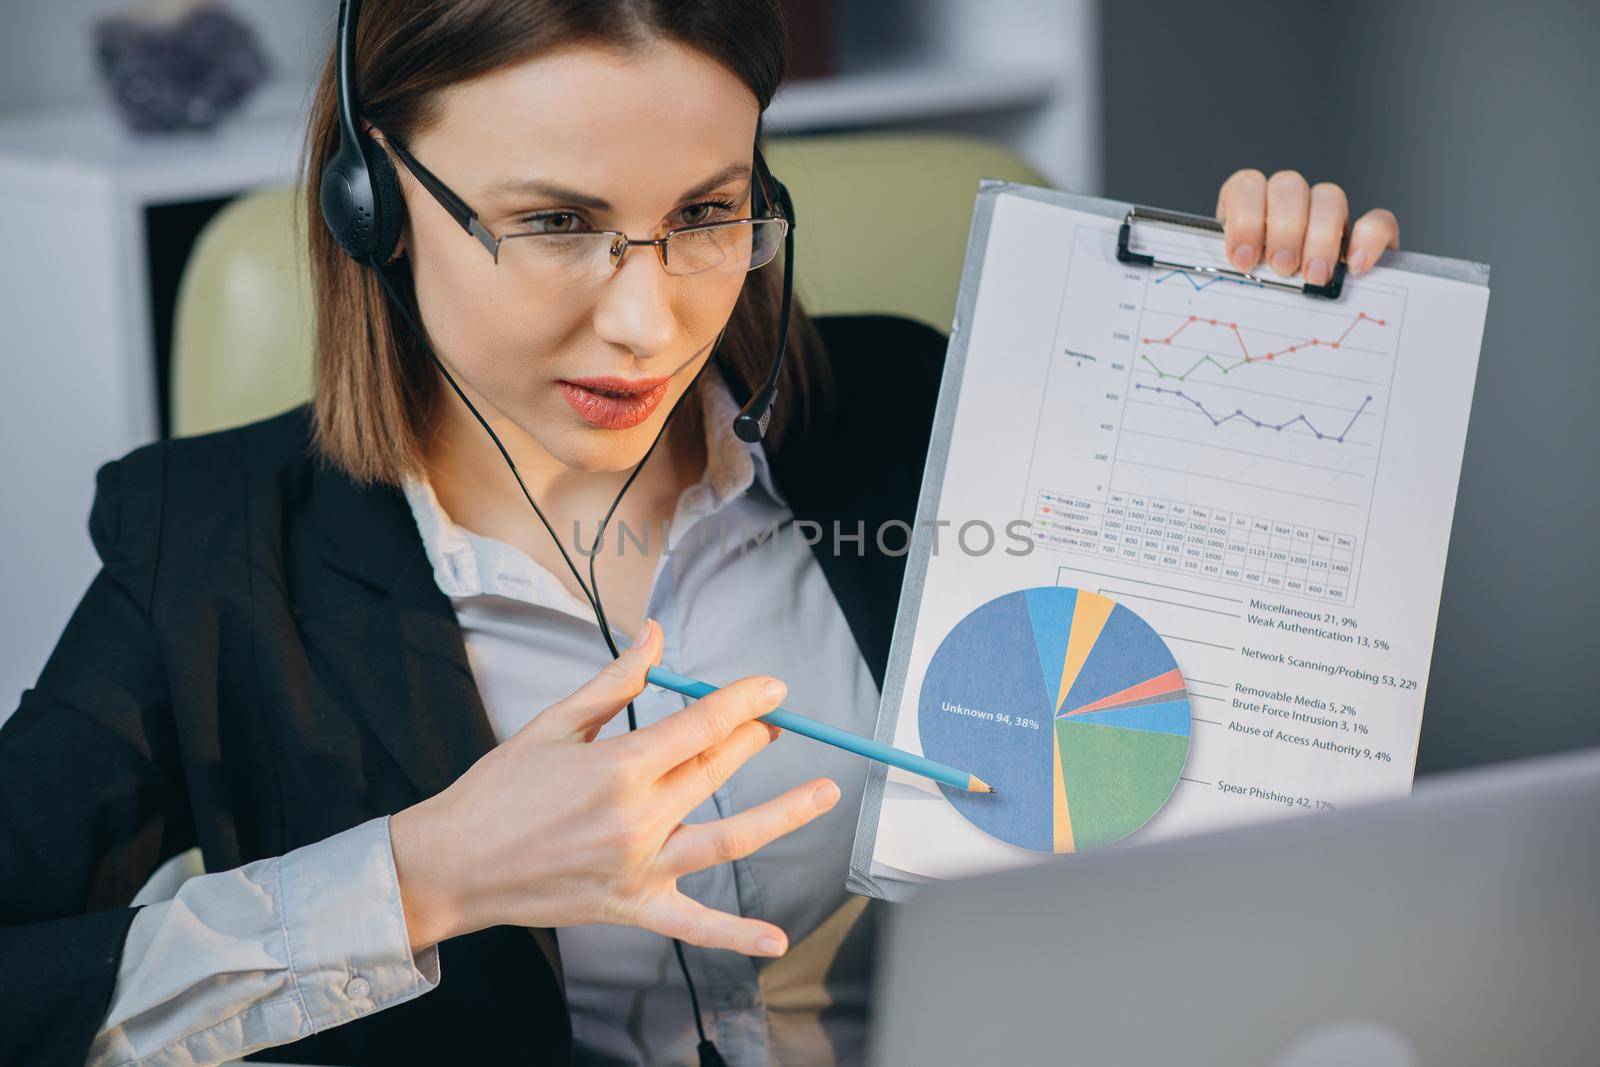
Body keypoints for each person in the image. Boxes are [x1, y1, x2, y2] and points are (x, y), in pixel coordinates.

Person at [0, 1, 1401, 1064]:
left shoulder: (909, 409)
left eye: (709, 214)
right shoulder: (209, 553)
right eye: (554, 221)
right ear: (369, 202)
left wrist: (1265, 350)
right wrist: (422, 879)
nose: (651, 320)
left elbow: (1183, 765)